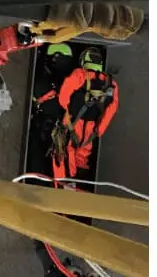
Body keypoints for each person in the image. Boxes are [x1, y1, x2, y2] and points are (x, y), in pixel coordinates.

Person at [38, 47, 119, 180]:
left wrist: (67, 112)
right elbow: (111, 109)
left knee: (63, 153)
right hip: (91, 130)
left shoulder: (79, 75)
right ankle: (80, 182)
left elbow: (63, 97)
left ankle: (63, 184)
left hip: (73, 123)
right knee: (82, 157)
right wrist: (98, 130)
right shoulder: (111, 84)